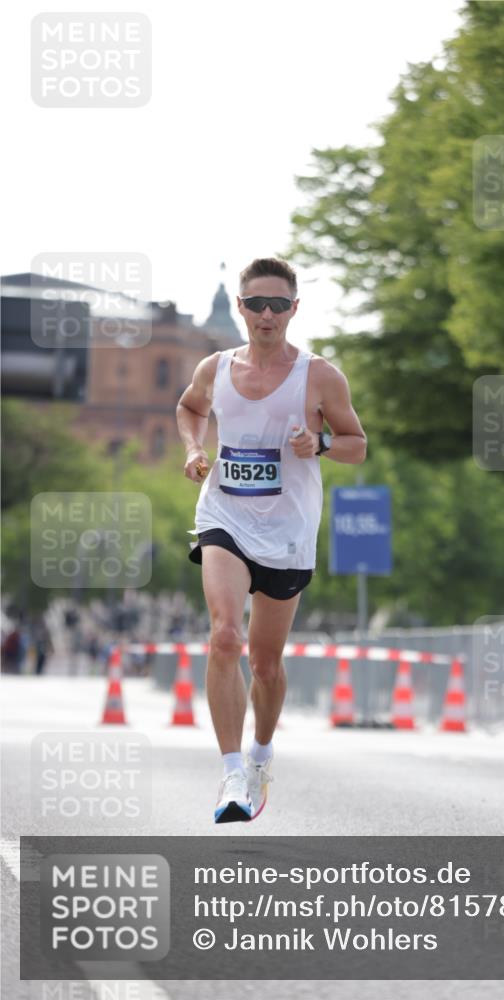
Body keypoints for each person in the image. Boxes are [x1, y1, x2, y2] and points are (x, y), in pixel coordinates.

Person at [176, 257, 366, 823]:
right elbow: (189, 408)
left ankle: (260, 754)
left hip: (287, 530)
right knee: (225, 636)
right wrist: (193, 448)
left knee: (264, 664)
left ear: (294, 309)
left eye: (277, 304)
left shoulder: (321, 376)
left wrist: (323, 445)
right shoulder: (215, 367)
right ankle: (232, 770)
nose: (266, 314)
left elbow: (357, 443)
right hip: (225, 514)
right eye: (256, 303)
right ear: (240, 307)